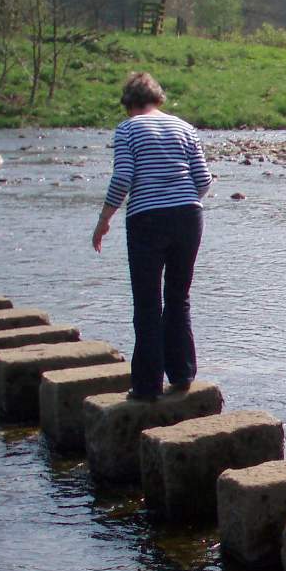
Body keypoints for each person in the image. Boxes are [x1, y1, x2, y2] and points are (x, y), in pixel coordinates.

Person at [92, 71, 212, 402]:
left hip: (147, 218)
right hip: (189, 215)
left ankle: (146, 387)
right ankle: (183, 373)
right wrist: (181, 201)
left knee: (147, 302)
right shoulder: (184, 127)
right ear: (158, 99)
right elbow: (204, 179)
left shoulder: (128, 128)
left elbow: (123, 178)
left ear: (129, 104)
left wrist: (104, 219)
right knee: (178, 297)